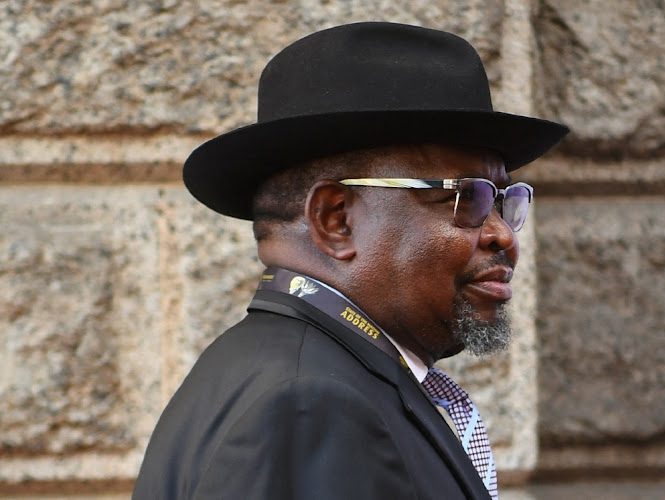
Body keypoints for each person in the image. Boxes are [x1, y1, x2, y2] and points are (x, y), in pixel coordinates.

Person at [132, 21, 568, 499]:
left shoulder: (270, 370)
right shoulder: (310, 403)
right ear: (335, 219)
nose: (503, 234)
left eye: (505, 200)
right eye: (467, 199)